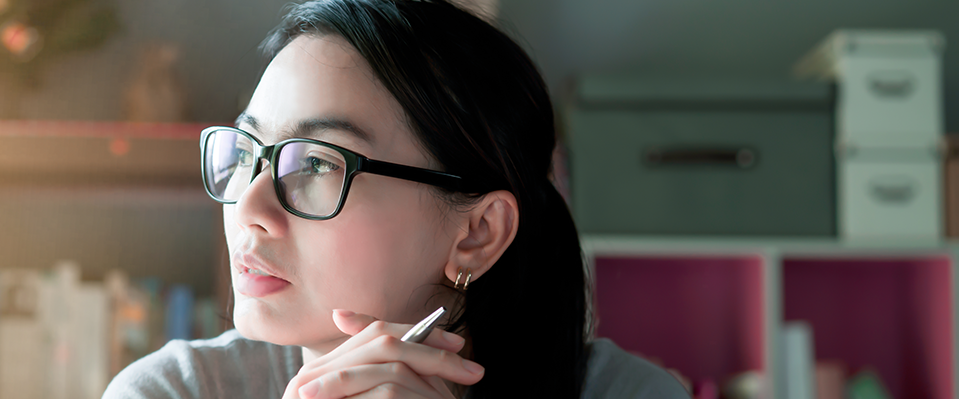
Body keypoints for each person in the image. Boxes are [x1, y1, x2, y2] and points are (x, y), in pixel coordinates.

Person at [104, 0, 690, 398]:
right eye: (248, 148)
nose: (249, 209)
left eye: (315, 163)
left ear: (477, 233)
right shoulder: (174, 389)